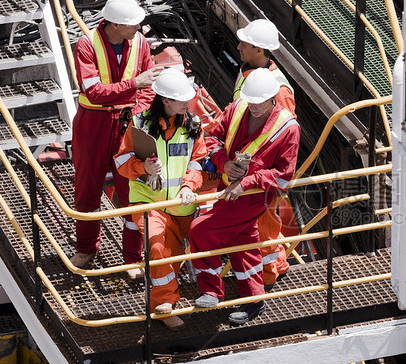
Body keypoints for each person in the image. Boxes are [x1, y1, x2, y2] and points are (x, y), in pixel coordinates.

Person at [189, 68, 300, 325]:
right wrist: (223, 163)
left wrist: (248, 181)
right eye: (251, 101)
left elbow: (284, 176)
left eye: (259, 103)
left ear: (274, 98)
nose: (254, 107)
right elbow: (214, 138)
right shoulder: (239, 107)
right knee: (244, 243)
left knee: (200, 229)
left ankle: (211, 290)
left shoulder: (288, 128)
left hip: (253, 196)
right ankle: (254, 301)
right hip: (228, 190)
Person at [70, 0, 162, 279]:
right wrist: (133, 85)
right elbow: (93, 93)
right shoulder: (87, 46)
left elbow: (148, 89)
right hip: (93, 125)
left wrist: (137, 113)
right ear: (115, 25)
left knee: (132, 191)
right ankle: (87, 249)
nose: (139, 28)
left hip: (127, 123)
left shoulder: (140, 42)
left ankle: (132, 259)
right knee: (87, 189)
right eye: (132, 24)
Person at [115, 68, 206, 330]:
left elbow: (198, 162)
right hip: (148, 203)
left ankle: (164, 303)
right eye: (180, 100)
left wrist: (189, 186)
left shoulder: (194, 125)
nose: (186, 104)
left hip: (181, 206)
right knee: (156, 247)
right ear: (165, 100)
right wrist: (143, 168)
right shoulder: (139, 123)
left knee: (173, 258)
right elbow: (121, 161)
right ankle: (164, 306)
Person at [234, 19, 295, 289]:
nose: (238, 47)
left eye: (244, 44)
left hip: (263, 173)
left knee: (264, 225)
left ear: (259, 49)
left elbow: (285, 134)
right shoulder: (248, 71)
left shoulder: (278, 90)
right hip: (247, 165)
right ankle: (278, 264)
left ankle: (267, 277)